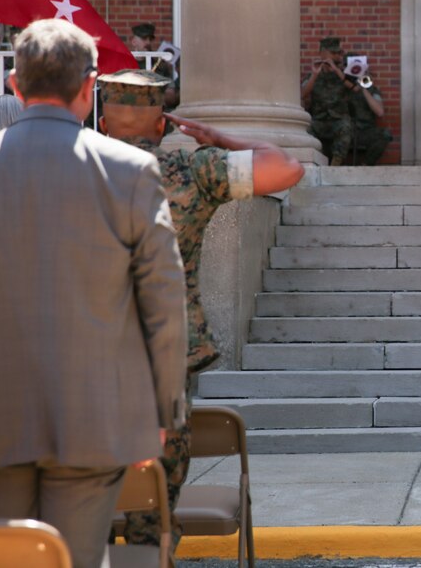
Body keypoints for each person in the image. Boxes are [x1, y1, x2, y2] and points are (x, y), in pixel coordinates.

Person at [0, 19, 187, 568]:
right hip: (94, 416)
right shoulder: (131, 170)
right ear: (90, 87)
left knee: (3, 561)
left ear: (14, 84)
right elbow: (163, 301)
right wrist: (162, 411)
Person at [97, 68, 304, 551]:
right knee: (157, 495)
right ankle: (155, 551)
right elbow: (287, 167)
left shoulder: (67, 173)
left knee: (86, 487)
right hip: (166, 351)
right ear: (161, 124)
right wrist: (218, 137)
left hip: (80, 352)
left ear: (104, 121)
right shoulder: (193, 171)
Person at [301, 36, 393, 166]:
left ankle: (337, 166)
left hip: (341, 122)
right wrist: (315, 74)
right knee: (306, 130)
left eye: (338, 54)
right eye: (333, 54)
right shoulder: (314, 75)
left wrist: (342, 72)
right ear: (323, 54)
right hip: (320, 120)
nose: (335, 58)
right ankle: (312, 163)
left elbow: (358, 90)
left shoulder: (346, 77)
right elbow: (303, 94)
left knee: (345, 127)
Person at [130, 23, 179, 110]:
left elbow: (171, 96)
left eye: (150, 39)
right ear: (134, 41)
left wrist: (153, 96)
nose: (148, 42)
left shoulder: (160, 66)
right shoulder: (125, 65)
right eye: (144, 39)